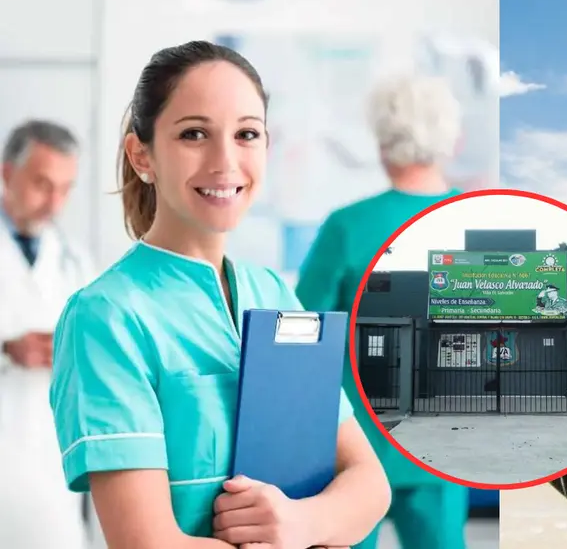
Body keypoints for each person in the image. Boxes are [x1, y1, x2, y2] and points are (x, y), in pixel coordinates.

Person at [48, 40, 391, 548]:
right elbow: (148, 543)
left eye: (247, 134)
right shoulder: (108, 316)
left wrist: (297, 524)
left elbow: (369, 485)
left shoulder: (273, 293)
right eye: (194, 134)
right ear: (142, 155)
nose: (225, 160)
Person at [296, 73, 470, 549]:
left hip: (355, 448)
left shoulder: (346, 228)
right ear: (453, 140)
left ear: (381, 143)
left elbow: (298, 333)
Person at [0, 120, 96, 548]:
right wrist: (5, 349)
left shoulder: (76, 262)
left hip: (49, 473)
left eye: (66, 188)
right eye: (42, 184)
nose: (54, 202)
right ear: (6, 174)